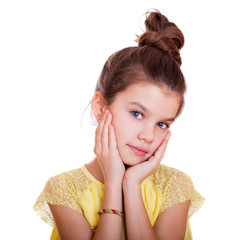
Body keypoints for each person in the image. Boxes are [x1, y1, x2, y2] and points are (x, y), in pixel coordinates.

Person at [34, 9, 204, 240]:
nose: (148, 136)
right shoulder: (64, 190)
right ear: (101, 107)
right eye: (136, 113)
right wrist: (114, 182)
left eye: (162, 124)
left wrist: (132, 184)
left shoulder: (174, 187)